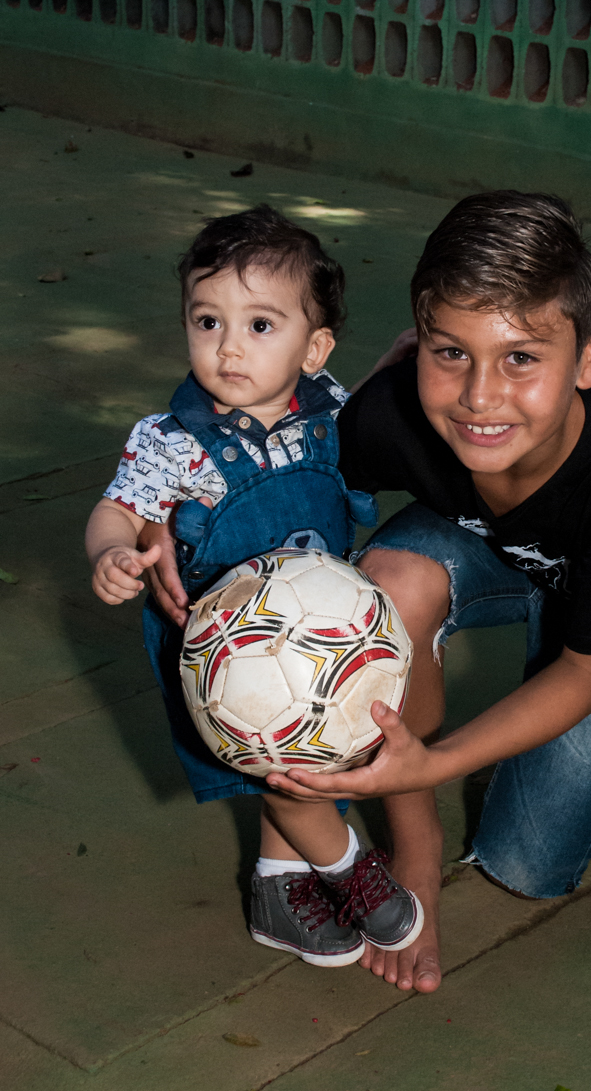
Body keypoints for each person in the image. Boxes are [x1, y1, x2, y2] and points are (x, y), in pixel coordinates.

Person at [144, 191, 591, 996]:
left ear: (589, 357)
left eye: (520, 357)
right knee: (388, 581)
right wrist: (176, 518)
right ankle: (413, 859)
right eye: (450, 353)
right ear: (420, 344)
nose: (479, 397)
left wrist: (445, 753)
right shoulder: (392, 417)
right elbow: (263, 467)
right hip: (474, 542)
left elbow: (579, 677)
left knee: (530, 863)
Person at [85, 204, 424, 971]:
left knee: (318, 746)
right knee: (288, 768)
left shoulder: (326, 408)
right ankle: (344, 865)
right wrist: (112, 552)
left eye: (260, 326)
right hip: (225, 653)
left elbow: (360, 418)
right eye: (207, 321)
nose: (228, 346)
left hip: (319, 637)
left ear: (315, 348)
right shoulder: (173, 442)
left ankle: (279, 888)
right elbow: (119, 507)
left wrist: (389, 372)